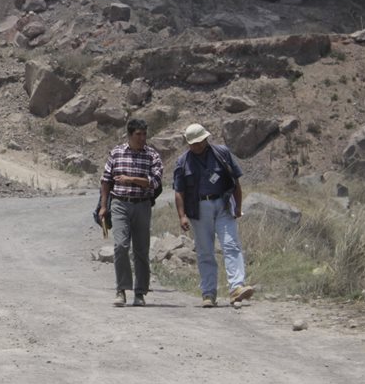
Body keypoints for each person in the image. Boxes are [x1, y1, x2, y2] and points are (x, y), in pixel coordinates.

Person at [173, 123, 255, 308]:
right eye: (193, 144)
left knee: (231, 244)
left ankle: (236, 287)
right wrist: (182, 216)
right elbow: (179, 192)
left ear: (206, 139)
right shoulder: (183, 162)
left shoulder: (222, 154)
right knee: (205, 252)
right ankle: (208, 293)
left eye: (200, 142)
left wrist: (237, 207)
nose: (197, 146)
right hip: (198, 210)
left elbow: (235, 181)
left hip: (223, 205)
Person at [99, 118, 163, 308]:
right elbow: (105, 180)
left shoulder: (152, 155)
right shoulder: (117, 153)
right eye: (138, 134)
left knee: (141, 250)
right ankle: (121, 289)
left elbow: (155, 181)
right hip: (119, 204)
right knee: (120, 246)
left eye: (145, 134)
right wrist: (103, 206)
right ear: (130, 135)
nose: (142, 138)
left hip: (142, 205)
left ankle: (140, 292)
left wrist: (131, 179)